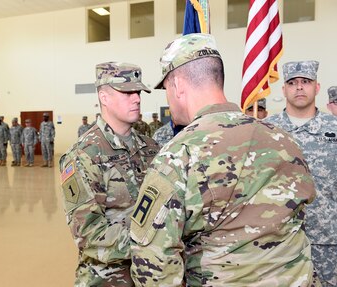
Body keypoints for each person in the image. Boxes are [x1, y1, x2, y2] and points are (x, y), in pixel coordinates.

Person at [130, 33, 320, 286]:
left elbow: (153, 260)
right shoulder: (283, 139)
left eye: (165, 89)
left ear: (177, 85)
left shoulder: (179, 154)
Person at [59, 62, 160, 286]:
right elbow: (88, 233)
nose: (137, 99)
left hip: (149, 276)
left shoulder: (151, 148)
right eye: (127, 93)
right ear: (104, 97)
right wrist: (154, 243)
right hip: (107, 279)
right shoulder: (83, 155)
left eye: (138, 92)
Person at [265, 60, 337, 286]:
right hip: (278, 242)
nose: (299, 87)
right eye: (292, 82)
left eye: (306, 82)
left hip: (328, 242)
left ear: (316, 87)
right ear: (283, 89)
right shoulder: (266, 130)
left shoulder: (333, 128)